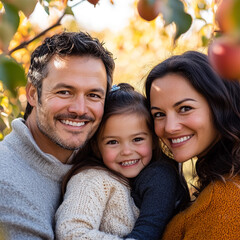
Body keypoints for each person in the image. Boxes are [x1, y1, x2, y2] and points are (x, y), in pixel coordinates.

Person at [0, 31, 115, 240]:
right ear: (33, 94)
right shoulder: (5, 183)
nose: (80, 109)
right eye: (64, 92)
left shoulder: (112, 161)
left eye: (93, 95)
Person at [55, 83, 189, 240]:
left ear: (153, 141)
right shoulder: (92, 180)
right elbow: (70, 233)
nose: (126, 151)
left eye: (137, 139)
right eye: (113, 142)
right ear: (96, 147)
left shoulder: (155, 175)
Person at [145, 50, 240, 239]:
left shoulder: (224, 199)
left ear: (219, 106)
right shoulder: (222, 182)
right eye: (159, 114)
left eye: (185, 109)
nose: (170, 128)